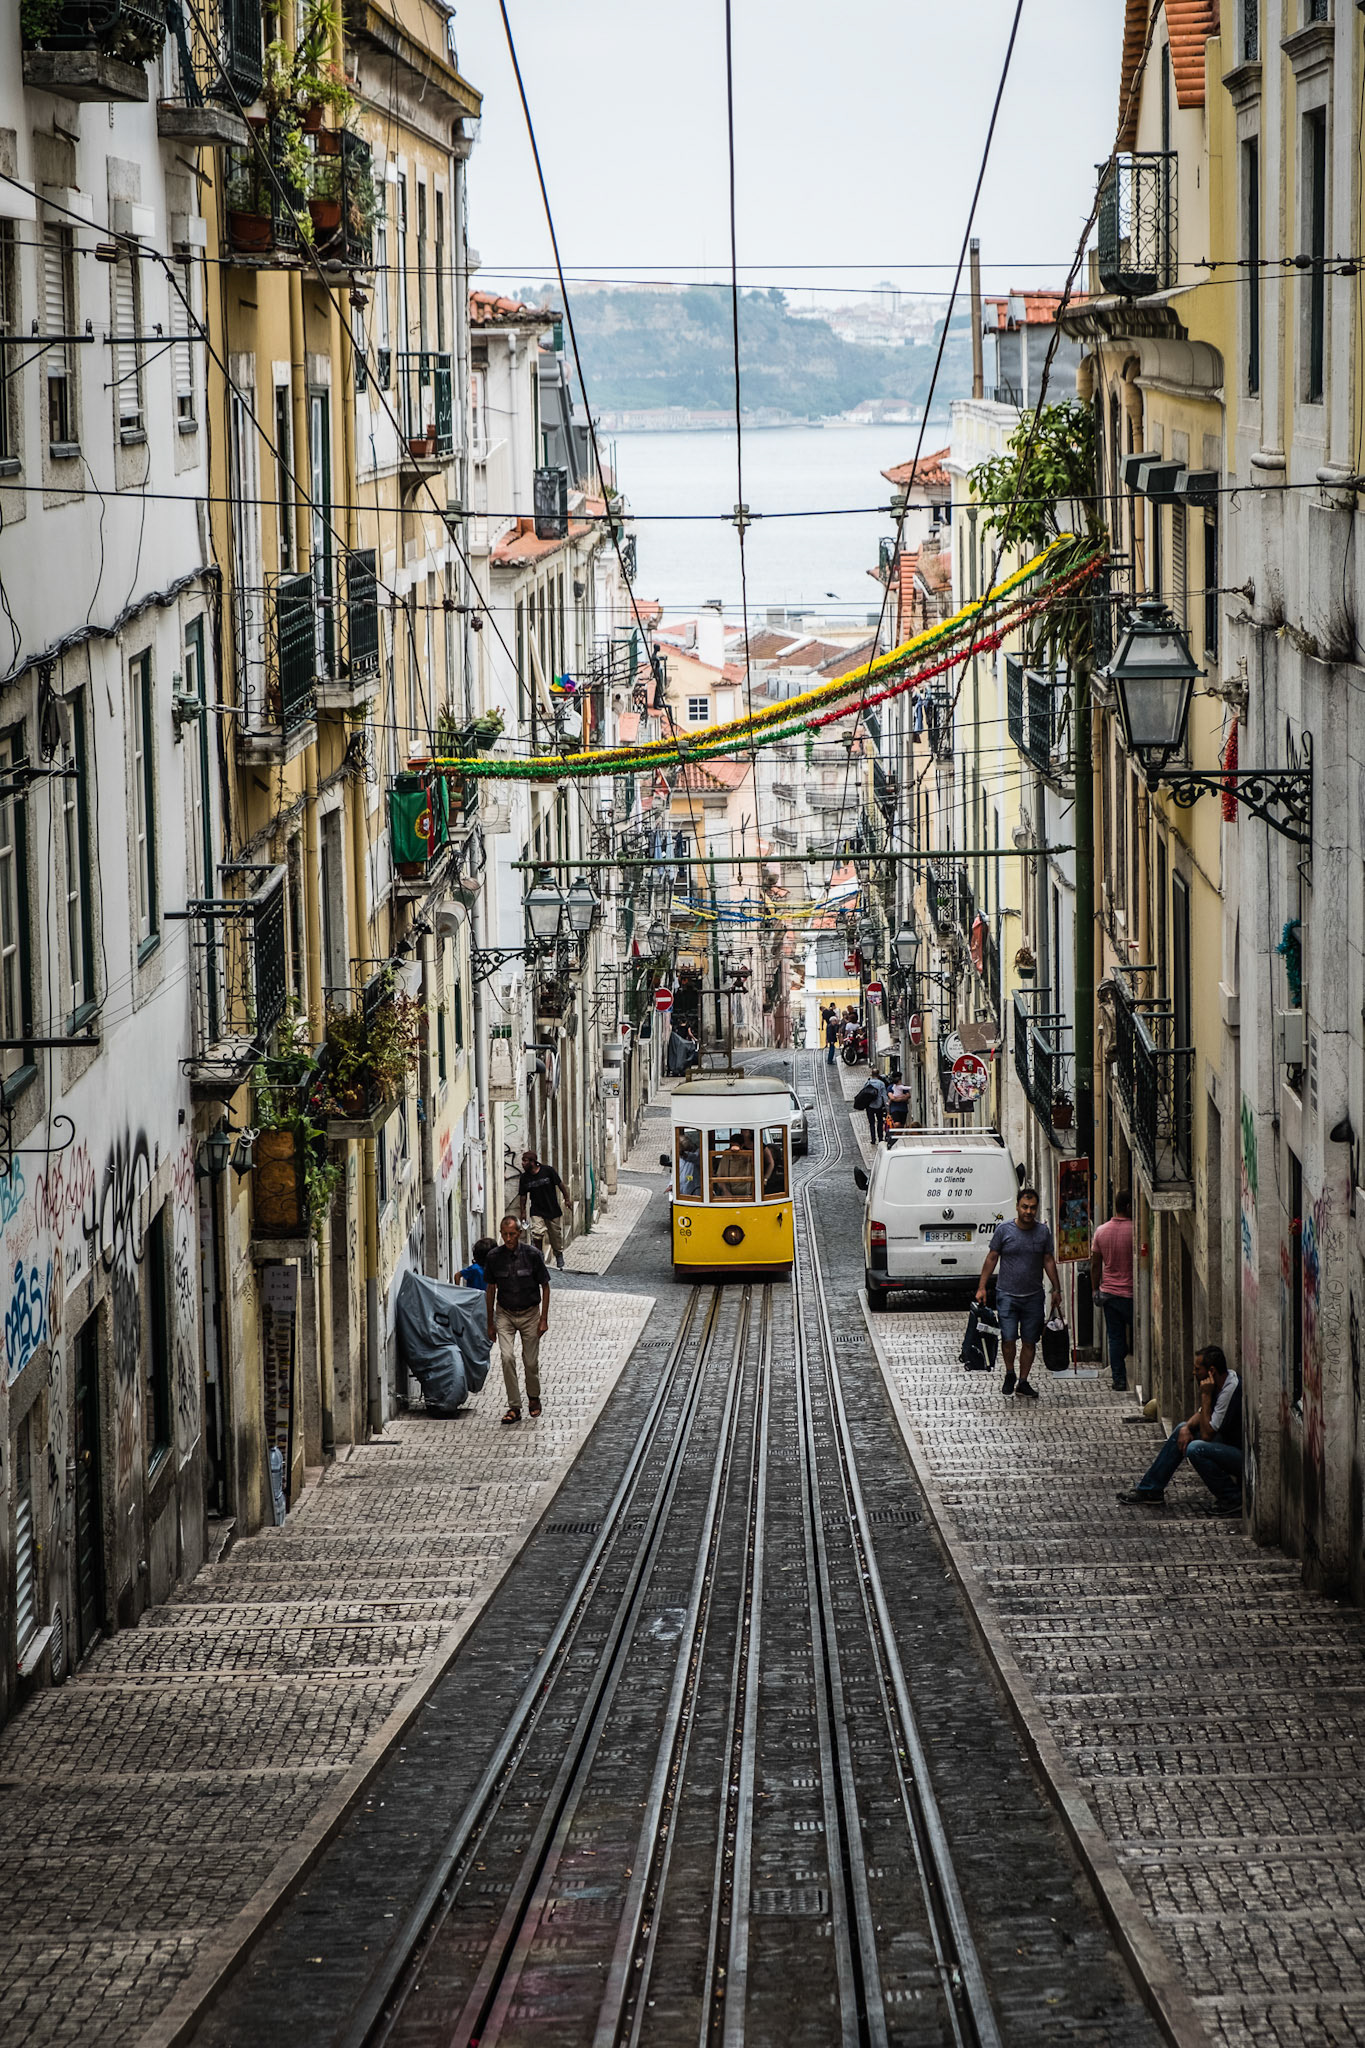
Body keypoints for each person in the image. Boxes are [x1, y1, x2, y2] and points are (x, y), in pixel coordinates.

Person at [1117, 1344, 1242, 1513]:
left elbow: (1206, 1435)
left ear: (1211, 1371)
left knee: (1195, 1449)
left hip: (1238, 1455)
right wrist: (1186, 1428)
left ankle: (1231, 1497)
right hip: (1224, 1443)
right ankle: (1151, 1489)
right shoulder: (1219, 1383)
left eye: (1197, 1369)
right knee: (1182, 1428)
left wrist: (1205, 1395)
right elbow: (1201, 1415)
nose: (1194, 1373)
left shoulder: (1230, 1390)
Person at [975, 1186, 1064, 1400]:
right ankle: (1009, 1372)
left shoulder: (1043, 1232)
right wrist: (981, 1287)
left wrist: (1056, 1288)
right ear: (1017, 1206)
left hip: (1033, 1296)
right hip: (1006, 1295)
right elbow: (992, 1257)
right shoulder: (1004, 1230)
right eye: (1024, 1207)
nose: (1028, 1211)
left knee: (1029, 1340)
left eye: (1033, 1208)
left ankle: (1023, 1381)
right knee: (1007, 1337)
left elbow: (1048, 1260)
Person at [484, 1215, 551, 1424]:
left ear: (519, 1234)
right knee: (506, 1358)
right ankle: (514, 1406)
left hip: (530, 1313)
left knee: (530, 1362)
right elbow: (490, 1289)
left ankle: (533, 1397)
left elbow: (545, 1286)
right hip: (505, 1313)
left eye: (512, 1234)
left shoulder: (532, 1255)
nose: (508, 1238)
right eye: (505, 1234)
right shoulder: (494, 1257)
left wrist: (543, 1319)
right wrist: (490, 1323)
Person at [1090, 1190, 1135, 1391]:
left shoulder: (1101, 1231)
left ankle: (1119, 1380)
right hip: (1132, 1294)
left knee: (1115, 1338)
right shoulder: (1136, 1229)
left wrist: (1094, 1289)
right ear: (1127, 1207)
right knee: (1133, 1334)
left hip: (1109, 1293)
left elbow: (1095, 1265)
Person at [519, 1149, 570, 1270]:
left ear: (533, 1162)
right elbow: (523, 1196)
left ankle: (558, 1253)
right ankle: (539, 1255)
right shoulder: (524, 1178)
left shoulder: (548, 1171)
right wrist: (522, 1212)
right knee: (537, 1232)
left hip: (552, 1209)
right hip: (537, 1210)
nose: (522, 1163)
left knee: (555, 1235)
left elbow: (560, 1185)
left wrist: (567, 1199)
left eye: (525, 1161)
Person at [863, 1069, 889, 1145]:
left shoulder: (867, 1082)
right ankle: (880, 1138)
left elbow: (864, 1094)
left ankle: (873, 1139)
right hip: (879, 1105)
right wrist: (888, 1109)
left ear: (872, 1074)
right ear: (878, 1075)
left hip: (869, 1105)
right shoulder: (881, 1084)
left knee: (871, 1123)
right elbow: (884, 1096)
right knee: (880, 1121)